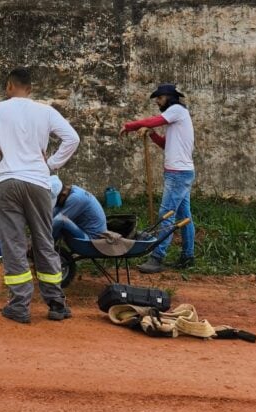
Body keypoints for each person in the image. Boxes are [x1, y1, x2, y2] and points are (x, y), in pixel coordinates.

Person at [0, 67, 80, 324]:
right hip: (38, 182)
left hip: (6, 182)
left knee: (14, 243)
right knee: (43, 240)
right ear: (30, 89)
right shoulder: (45, 111)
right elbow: (72, 139)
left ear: (9, 86)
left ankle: (19, 305)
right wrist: (51, 164)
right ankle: (56, 303)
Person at [119, 82, 195, 272]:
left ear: (170, 97)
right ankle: (188, 256)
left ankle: (157, 258)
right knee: (184, 216)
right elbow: (165, 144)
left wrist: (129, 126)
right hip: (180, 172)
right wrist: (152, 135)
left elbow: (153, 121)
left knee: (166, 215)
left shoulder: (176, 109)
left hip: (178, 174)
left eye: (159, 98)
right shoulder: (176, 118)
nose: (158, 102)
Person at [50, 175, 107, 244]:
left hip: (91, 239)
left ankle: (46, 244)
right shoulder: (71, 190)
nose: (56, 204)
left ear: (63, 194)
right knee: (56, 211)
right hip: (84, 232)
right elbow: (52, 214)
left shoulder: (76, 199)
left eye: (57, 201)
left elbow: (57, 221)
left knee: (60, 220)